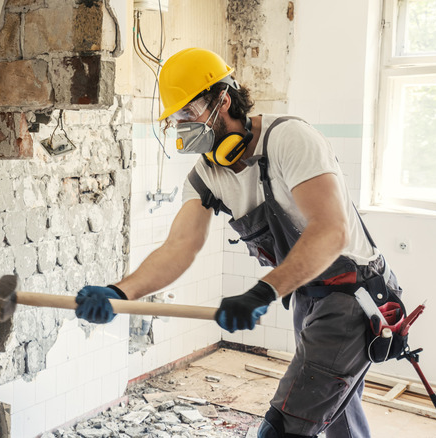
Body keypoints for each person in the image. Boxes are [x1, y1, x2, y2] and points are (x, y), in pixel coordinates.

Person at [74, 47, 403, 438]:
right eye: (174, 119)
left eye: (187, 114)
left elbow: (331, 232)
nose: (180, 125)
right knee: (337, 415)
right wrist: (119, 292)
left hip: (354, 298)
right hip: (309, 297)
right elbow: (179, 246)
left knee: (284, 428)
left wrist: (262, 293)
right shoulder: (207, 175)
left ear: (223, 101)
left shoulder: (289, 140)